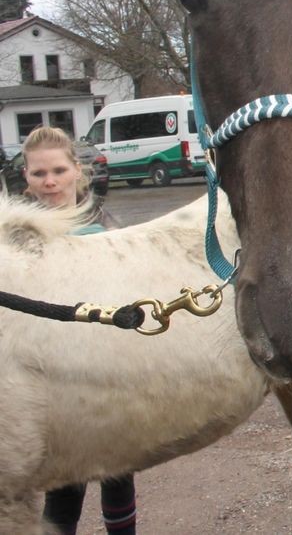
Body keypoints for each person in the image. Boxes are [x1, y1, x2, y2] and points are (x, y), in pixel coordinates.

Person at [21, 126, 134, 535]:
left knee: (119, 476)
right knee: (63, 492)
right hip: (52, 378)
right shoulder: (16, 236)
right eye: (39, 174)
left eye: (58, 170)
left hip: (109, 370)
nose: (49, 182)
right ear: (27, 179)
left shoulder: (108, 227)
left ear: (77, 171)